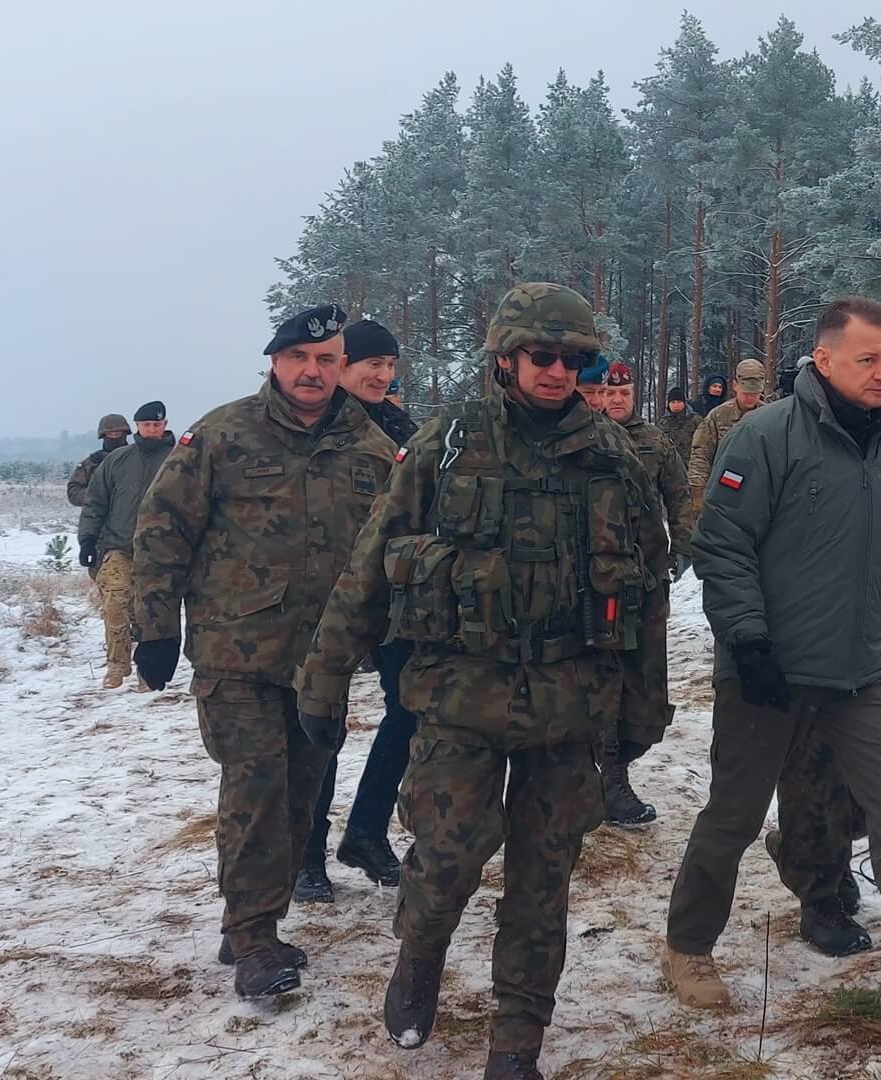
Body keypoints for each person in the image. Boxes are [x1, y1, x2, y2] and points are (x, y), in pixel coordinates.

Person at [295, 283, 665, 1080]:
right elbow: (371, 565)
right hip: (460, 696)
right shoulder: (449, 445)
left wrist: (644, 705)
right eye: (543, 357)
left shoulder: (612, 459)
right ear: (506, 358)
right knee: (447, 858)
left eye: (574, 360)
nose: (558, 372)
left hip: (568, 704)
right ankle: (420, 953)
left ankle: (517, 1039)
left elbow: (648, 587)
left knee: (544, 881)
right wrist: (323, 678)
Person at [661, 296, 881, 1046]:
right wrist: (748, 644)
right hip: (769, 670)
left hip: (863, 673)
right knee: (733, 816)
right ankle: (688, 946)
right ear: (823, 360)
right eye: (868, 359)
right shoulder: (764, 436)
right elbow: (721, 546)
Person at [129, 303, 397, 1000]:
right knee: (255, 791)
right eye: (298, 358)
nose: (312, 371)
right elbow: (161, 529)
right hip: (235, 654)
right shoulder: (223, 435)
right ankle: (253, 939)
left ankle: (254, 919)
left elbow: (392, 550)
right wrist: (154, 628)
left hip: (323, 663)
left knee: (300, 797)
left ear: (341, 367)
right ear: (275, 363)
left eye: (326, 360)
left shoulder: (370, 449)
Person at [764, 396, 881, 956]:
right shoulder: (789, 436)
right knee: (815, 760)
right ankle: (818, 890)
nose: (877, 375)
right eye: (865, 361)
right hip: (815, 622)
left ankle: (815, 849)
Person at [296, 318, 421, 902]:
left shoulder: (402, 430)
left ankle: (366, 831)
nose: (383, 375)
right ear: (341, 365)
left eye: (391, 365)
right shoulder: (313, 426)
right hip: (323, 601)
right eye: (373, 363)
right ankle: (306, 853)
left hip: (393, 598)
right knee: (322, 720)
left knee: (410, 708)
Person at [597, 359, 692, 826]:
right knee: (602, 677)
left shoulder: (654, 441)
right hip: (597, 580)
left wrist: (682, 549)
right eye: (609, 393)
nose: (617, 400)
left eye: (624, 393)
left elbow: (680, 495)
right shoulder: (585, 438)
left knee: (646, 680)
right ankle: (606, 780)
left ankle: (616, 765)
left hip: (647, 579)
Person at [76, 401, 174, 689]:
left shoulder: (180, 459)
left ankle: (149, 671)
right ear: (138, 427)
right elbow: (94, 502)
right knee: (115, 602)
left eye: (157, 424)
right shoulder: (117, 460)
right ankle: (117, 665)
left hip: (162, 551)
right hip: (118, 545)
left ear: (164, 425)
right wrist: (87, 540)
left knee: (151, 613)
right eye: (147, 425)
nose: (152, 429)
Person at [686, 359, 768, 509]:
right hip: (723, 491)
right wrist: (698, 492)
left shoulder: (771, 416)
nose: (750, 397)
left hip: (760, 494)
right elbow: (701, 454)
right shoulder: (719, 416)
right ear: (735, 385)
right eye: (746, 393)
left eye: (755, 393)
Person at [67, 414, 132, 508]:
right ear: (103, 436)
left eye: (117, 434)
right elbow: (73, 493)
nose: (114, 437)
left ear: (125, 434)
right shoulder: (91, 463)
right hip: (98, 514)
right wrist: (96, 494)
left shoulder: (137, 459)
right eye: (110, 434)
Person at [657, 385, 700, 459]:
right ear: (668, 404)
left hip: (691, 461)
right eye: (673, 402)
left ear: (684, 403)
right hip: (670, 462)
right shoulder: (662, 423)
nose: (676, 405)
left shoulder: (696, 420)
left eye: (679, 402)